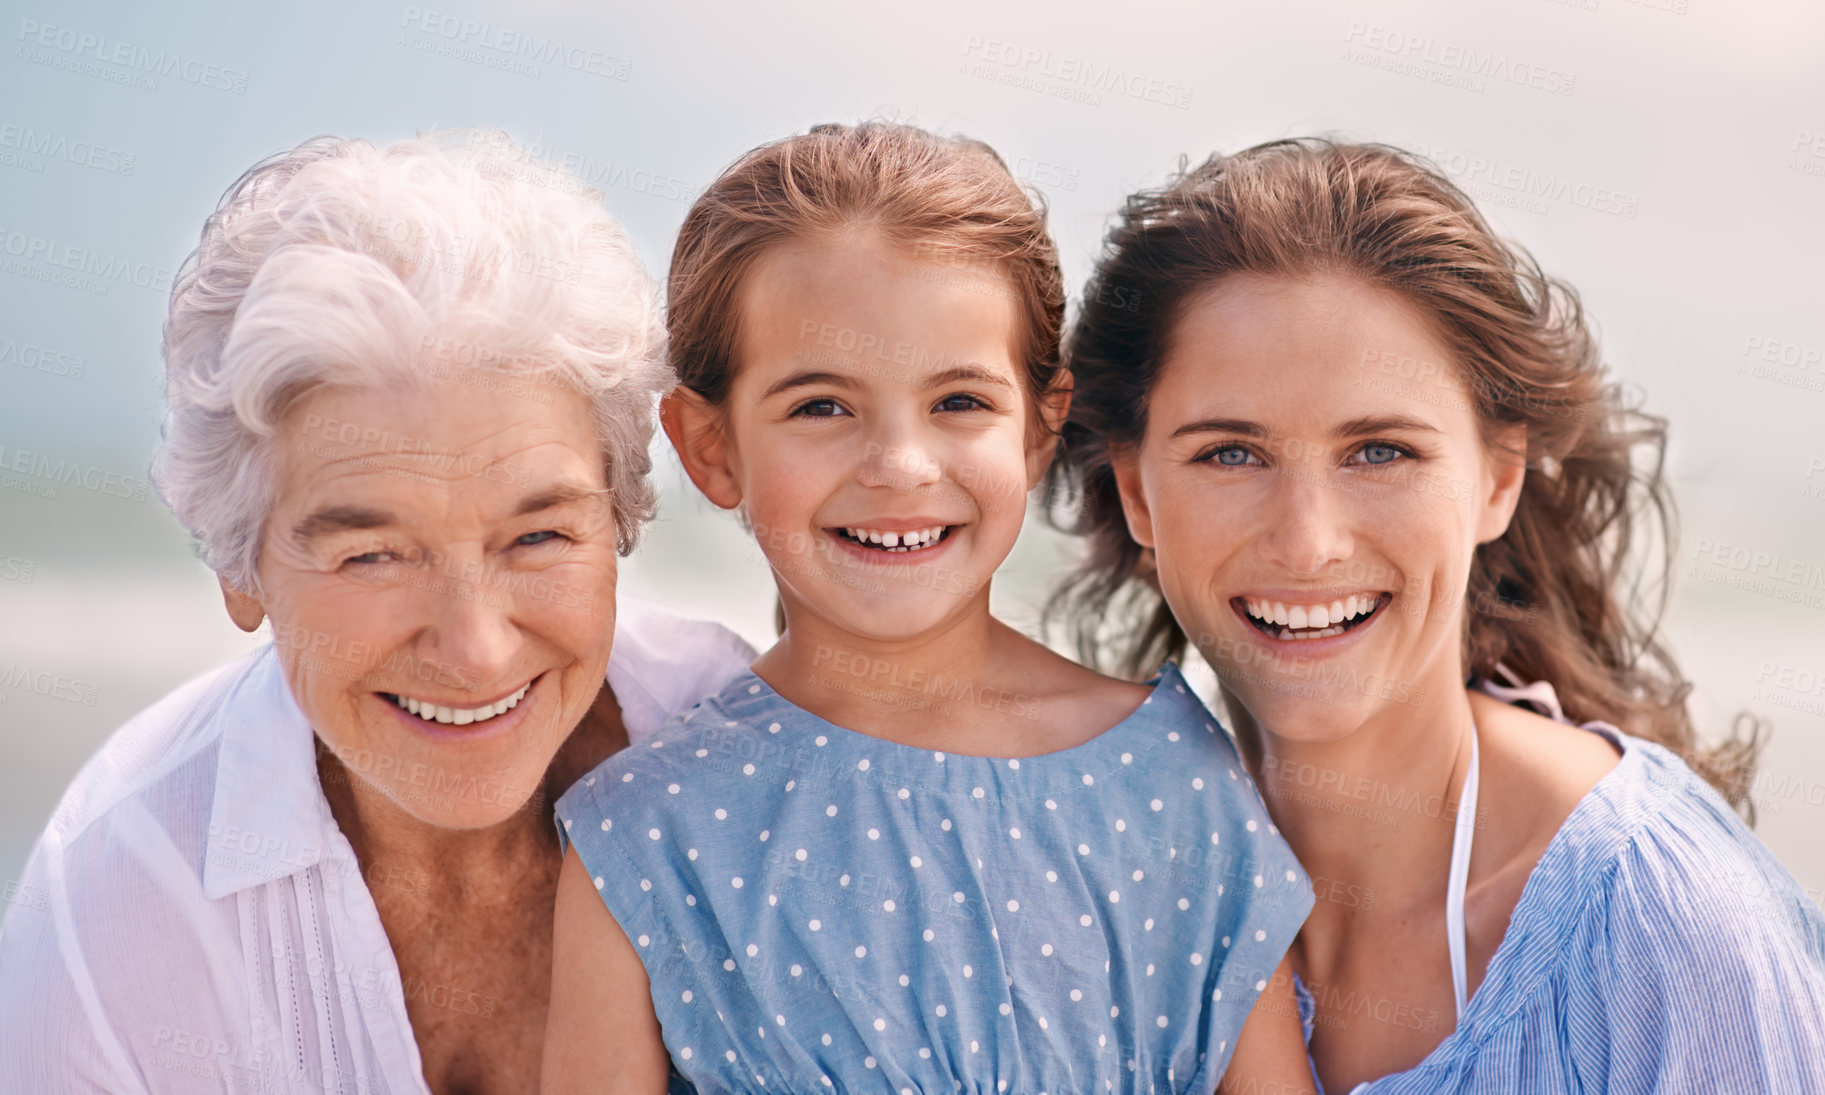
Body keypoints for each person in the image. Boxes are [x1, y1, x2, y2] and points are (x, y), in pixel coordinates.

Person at [541, 122, 1318, 1094]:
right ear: (710, 447)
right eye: (821, 406)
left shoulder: (1173, 774)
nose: (900, 466)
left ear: (1041, 429)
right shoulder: (646, 832)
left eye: (958, 401)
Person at [1046, 137, 1825, 1092]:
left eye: (1379, 451)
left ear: (1497, 478)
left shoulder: (1669, 930)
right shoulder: (1102, 897)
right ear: (1134, 491)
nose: (1306, 541)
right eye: (1230, 454)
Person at [0, 131, 755, 1093]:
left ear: (618, 517)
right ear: (242, 569)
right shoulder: (120, 892)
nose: (476, 651)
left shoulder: (742, 760)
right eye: (372, 556)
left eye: (537, 538)